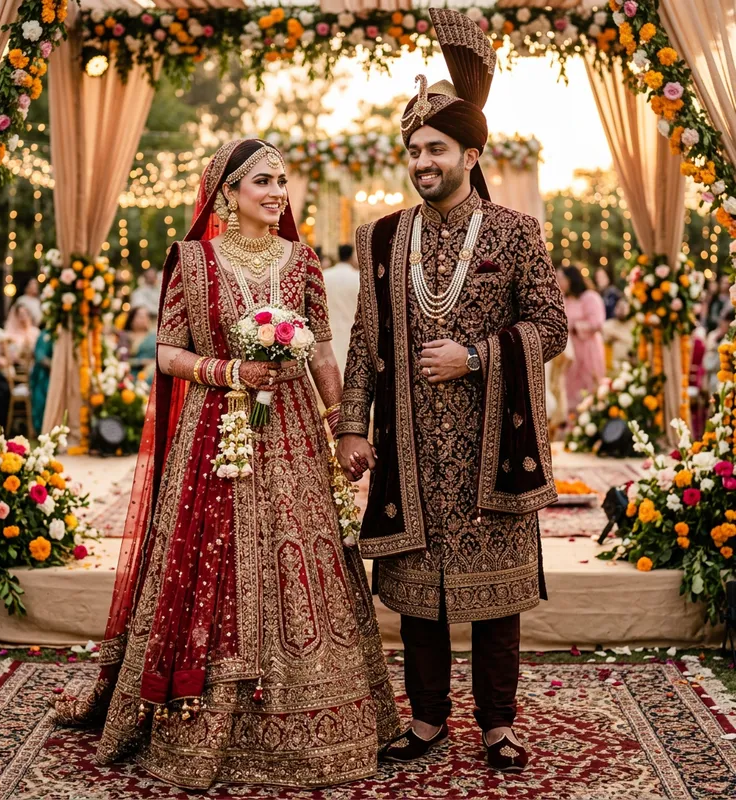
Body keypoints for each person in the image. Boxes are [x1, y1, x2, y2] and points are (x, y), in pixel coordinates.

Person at [53, 138, 399, 789]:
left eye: (282, 180)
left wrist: (342, 427)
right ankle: (207, 717)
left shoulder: (303, 262)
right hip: (215, 434)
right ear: (227, 193)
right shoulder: (193, 260)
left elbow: (324, 351)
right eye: (263, 181)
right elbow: (165, 352)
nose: (277, 192)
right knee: (215, 560)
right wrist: (231, 370)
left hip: (292, 432)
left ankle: (323, 710)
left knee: (302, 555)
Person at [335, 10, 567, 774]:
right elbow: (365, 344)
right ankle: (428, 720)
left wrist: (474, 357)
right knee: (416, 595)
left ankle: (498, 725)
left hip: (490, 447)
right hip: (408, 446)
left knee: (495, 598)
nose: (421, 162)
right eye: (413, 151)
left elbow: (551, 327)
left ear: (471, 153)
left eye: (435, 149)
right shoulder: (380, 238)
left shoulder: (514, 232)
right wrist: (351, 430)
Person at [558, 264, 606, 411]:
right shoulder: (563, 300)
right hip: (570, 354)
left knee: (590, 389)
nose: (558, 282)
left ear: (570, 279)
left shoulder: (590, 297)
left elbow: (597, 323)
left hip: (588, 351)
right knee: (570, 392)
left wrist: (575, 327)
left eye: (560, 278)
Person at [323, 243, 360, 374]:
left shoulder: (325, 275)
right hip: (351, 327)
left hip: (329, 327)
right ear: (351, 256)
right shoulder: (357, 278)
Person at [117, 305, 157, 382]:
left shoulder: (154, 336)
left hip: (152, 374)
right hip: (131, 374)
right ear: (132, 319)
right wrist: (141, 362)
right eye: (141, 317)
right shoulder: (125, 336)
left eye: (147, 316)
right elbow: (121, 358)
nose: (145, 319)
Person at [0, 298, 39, 373]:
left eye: (25, 314)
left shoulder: (35, 332)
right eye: (20, 315)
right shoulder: (11, 334)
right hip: (16, 367)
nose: (23, 317)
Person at [602, 297, 635, 372]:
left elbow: (633, 343)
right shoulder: (607, 325)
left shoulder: (634, 325)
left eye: (624, 307)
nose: (621, 310)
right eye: (619, 307)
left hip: (630, 367)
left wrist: (618, 337)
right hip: (611, 368)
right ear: (615, 309)